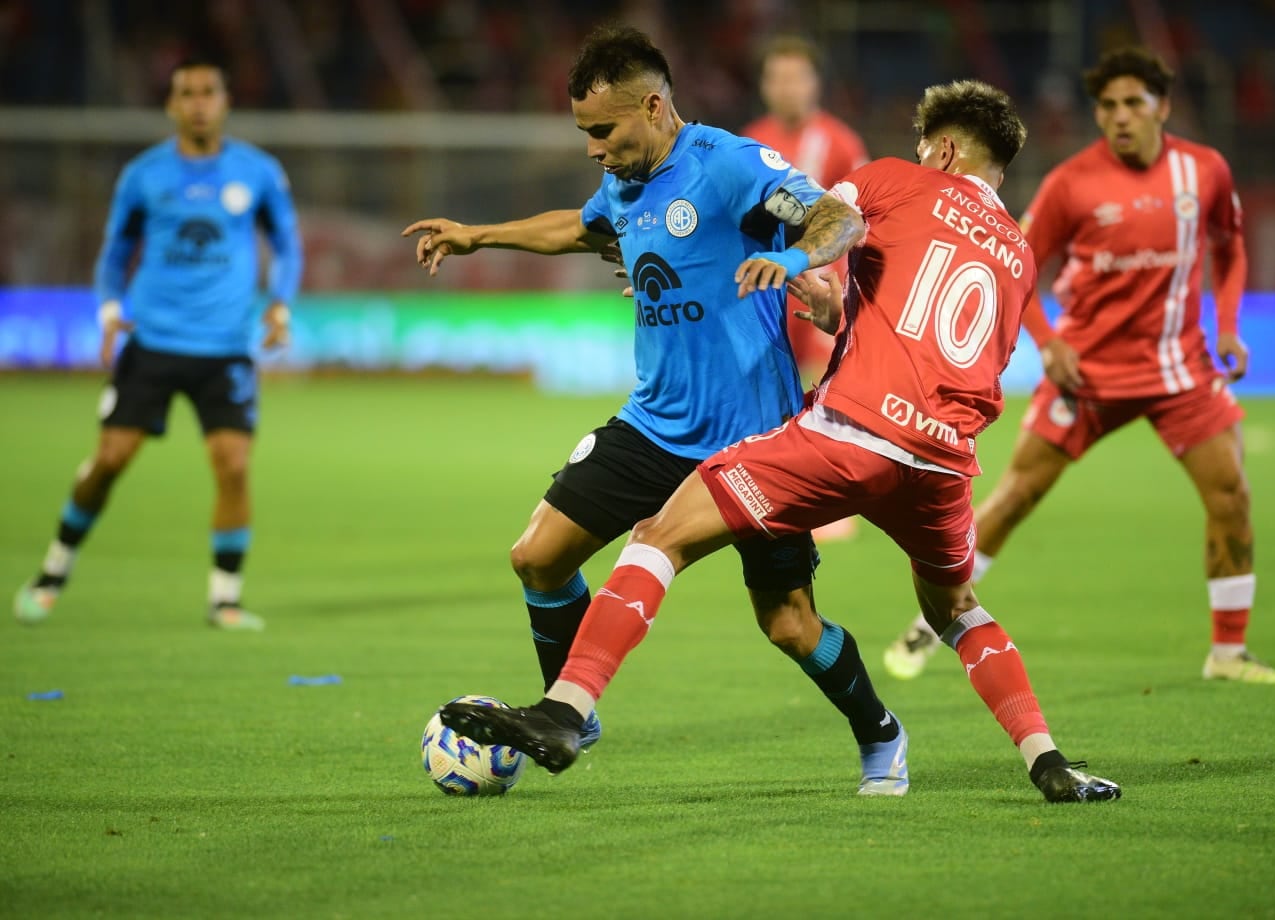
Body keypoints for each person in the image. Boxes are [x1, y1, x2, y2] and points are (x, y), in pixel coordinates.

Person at [441, 79, 1122, 804]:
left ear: (944, 151)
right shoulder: (1016, 254)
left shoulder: (897, 181)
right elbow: (942, 346)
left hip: (841, 436)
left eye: (927, 149)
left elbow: (834, 221)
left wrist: (798, 264)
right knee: (958, 611)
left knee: (676, 546)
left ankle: (568, 711)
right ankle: (1048, 762)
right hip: (942, 461)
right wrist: (831, 304)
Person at [403, 25, 909, 795]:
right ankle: (572, 705)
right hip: (655, 424)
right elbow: (582, 227)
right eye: (583, 133)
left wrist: (793, 257)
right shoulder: (626, 182)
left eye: (602, 130)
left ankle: (881, 734)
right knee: (538, 556)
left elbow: (840, 221)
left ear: (652, 105)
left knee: (790, 624)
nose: (592, 148)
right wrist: (480, 237)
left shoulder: (729, 164)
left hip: (755, 440)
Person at [883, 47, 1275, 686]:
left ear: (1164, 106)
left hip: (1178, 369)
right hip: (1088, 373)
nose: (1119, 117)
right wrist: (1047, 343)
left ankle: (1229, 652)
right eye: (1107, 106)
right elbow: (1017, 257)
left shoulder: (1204, 172)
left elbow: (1230, 246)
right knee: (1016, 496)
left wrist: (1229, 328)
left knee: (1232, 491)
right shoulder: (1072, 183)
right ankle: (933, 621)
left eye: (1133, 103)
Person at [12, 59, 302, 632]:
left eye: (208, 92)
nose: (198, 102)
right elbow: (115, 253)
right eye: (186, 93)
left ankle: (225, 598)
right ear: (171, 105)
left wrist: (279, 301)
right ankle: (53, 570)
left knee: (233, 466)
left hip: (224, 348)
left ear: (224, 101)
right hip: (154, 341)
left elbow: (287, 244)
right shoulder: (144, 175)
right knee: (110, 461)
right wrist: (111, 309)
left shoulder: (258, 172)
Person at [742, 35, 869, 543]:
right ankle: (772, 486)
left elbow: (861, 218)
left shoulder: (839, 142)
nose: (786, 87)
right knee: (769, 385)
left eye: (796, 77)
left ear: (815, 84)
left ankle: (831, 502)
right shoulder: (749, 140)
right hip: (765, 285)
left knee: (825, 387)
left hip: (823, 281)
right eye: (777, 77)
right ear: (764, 85)